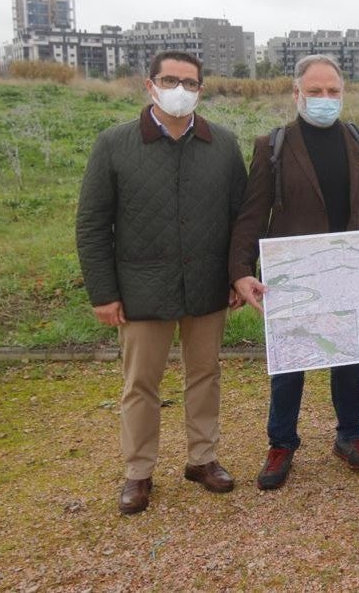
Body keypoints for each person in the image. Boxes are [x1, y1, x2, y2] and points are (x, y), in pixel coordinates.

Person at [76, 51, 247, 515]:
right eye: (170, 80)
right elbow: (93, 224)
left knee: (205, 375)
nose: (179, 90)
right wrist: (103, 293)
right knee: (140, 383)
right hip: (141, 288)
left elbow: (241, 218)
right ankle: (138, 471)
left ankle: (202, 458)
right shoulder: (115, 144)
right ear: (150, 85)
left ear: (201, 90)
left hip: (207, 284)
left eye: (189, 83)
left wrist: (238, 273)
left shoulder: (222, 144)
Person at [228, 54, 359, 490]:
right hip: (294, 274)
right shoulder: (273, 146)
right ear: (296, 93)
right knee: (289, 365)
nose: (324, 99)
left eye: (332, 91)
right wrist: (240, 271)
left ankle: (350, 435)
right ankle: (281, 443)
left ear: (343, 93)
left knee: (348, 358)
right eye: (315, 91)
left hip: (347, 266)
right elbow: (253, 213)